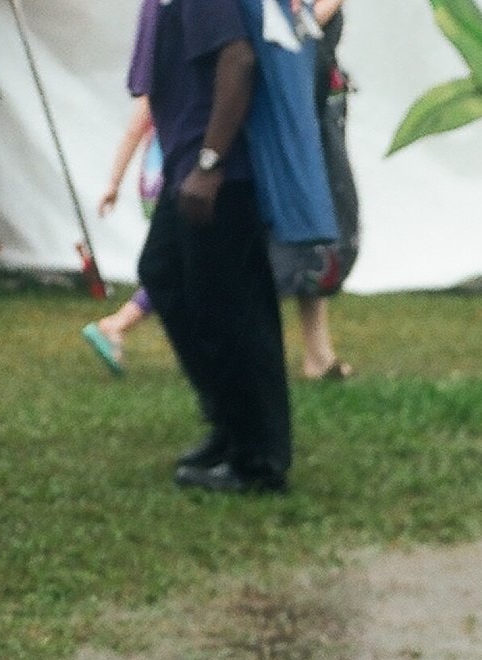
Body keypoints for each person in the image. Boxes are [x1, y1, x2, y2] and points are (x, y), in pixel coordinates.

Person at [131, 0, 293, 493]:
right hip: (187, 161)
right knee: (164, 274)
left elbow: (238, 58)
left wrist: (210, 162)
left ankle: (259, 458)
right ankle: (230, 424)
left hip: (219, 170)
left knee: (233, 308)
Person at [266, 0, 356, 382]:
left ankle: (318, 352)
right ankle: (124, 321)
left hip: (311, 106)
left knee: (316, 230)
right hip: (287, 103)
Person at [83, 96, 159, 375]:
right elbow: (135, 126)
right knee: (183, 264)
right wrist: (113, 183)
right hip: (174, 176)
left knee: (189, 264)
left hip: (155, 178)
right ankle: (116, 325)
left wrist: (114, 183)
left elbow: (135, 129)